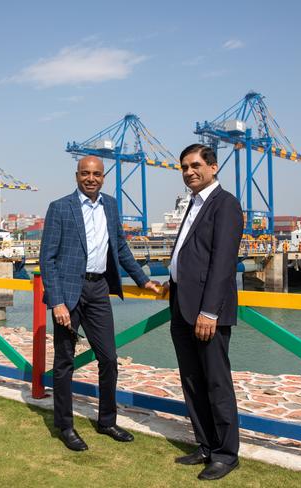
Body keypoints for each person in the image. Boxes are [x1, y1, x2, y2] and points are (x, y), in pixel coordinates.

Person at [40, 155, 156, 451]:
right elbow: (47, 259)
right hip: (68, 293)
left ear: (103, 177)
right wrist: (57, 303)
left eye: (96, 174)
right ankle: (65, 426)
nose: (91, 178)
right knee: (64, 362)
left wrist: (142, 280)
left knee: (109, 358)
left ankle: (106, 421)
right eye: (85, 173)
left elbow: (119, 247)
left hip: (99, 289)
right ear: (76, 175)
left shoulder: (111, 205)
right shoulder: (60, 207)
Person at [160, 144, 243, 480]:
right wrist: (172, 279)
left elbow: (223, 262)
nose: (189, 172)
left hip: (206, 312)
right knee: (192, 380)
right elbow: (191, 252)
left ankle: (226, 453)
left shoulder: (225, 204)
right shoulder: (193, 204)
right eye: (184, 167)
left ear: (213, 166)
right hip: (181, 303)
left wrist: (209, 311)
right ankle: (206, 445)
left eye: (195, 165)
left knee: (216, 382)